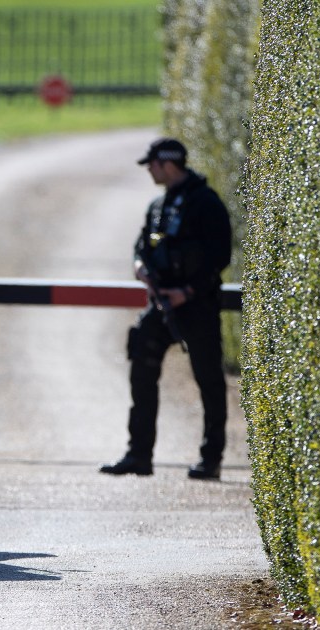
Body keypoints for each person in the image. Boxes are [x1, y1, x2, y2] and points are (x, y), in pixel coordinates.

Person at [100, 138, 232, 480]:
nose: (148, 170)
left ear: (168, 164)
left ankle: (211, 458)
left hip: (196, 305)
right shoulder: (159, 205)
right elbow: (141, 246)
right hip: (162, 305)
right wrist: (139, 266)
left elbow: (220, 257)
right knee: (141, 366)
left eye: (152, 164)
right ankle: (139, 455)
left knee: (209, 381)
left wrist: (186, 292)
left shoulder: (206, 203)